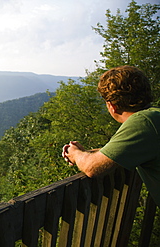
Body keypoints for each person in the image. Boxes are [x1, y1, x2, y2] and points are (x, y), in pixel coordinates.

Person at [62, 65, 160, 206]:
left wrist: (75, 154)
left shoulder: (143, 123)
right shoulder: (154, 115)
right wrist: (87, 152)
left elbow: (92, 168)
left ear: (112, 106)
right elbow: (118, 152)